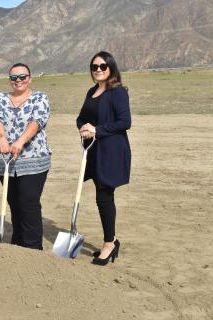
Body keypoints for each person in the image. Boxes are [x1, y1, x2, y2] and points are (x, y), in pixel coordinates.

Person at [76, 51, 131, 266]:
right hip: (94, 151)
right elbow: (82, 117)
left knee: (103, 196)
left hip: (112, 152)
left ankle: (109, 243)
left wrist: (97, 129)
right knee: (103, 196)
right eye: (94, 66)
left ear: (111, 68)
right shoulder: (92, 91)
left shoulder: (117, 92)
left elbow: (125, 122)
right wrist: (83, 127)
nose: (98, 70)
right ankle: (112, 240)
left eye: (102, 66)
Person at [0, 62, 51, 250]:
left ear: (29, 78)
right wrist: (2, 139)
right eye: (14, 78)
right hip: (4, 159)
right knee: (14, 203)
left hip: (33, 159)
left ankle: (32, 247)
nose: (18, 81)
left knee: (28, 202)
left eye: (23, 77)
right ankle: (18, 243)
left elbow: (37, 121)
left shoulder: (40, 98)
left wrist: (20, 141)